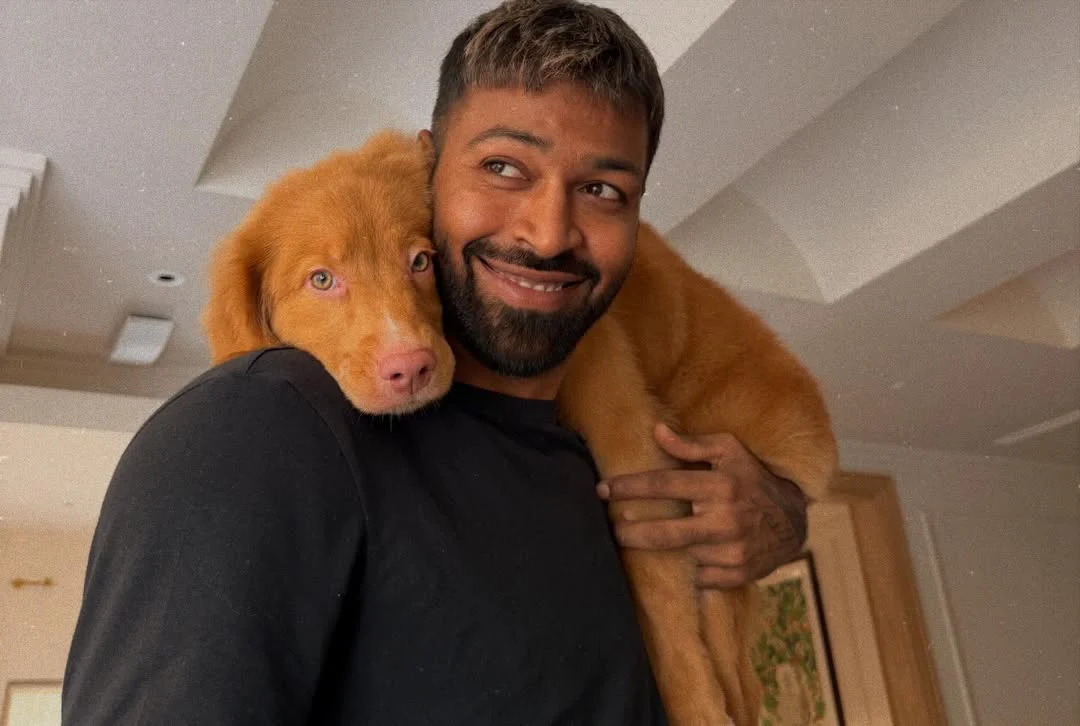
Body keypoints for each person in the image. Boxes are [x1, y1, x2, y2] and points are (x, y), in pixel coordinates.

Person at [62, 1, 810, 724]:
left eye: (601, 189)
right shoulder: (259, 424)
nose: (550, 233)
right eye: (504, 167)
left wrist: (786, 514)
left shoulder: (614, 438)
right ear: (430, 167)